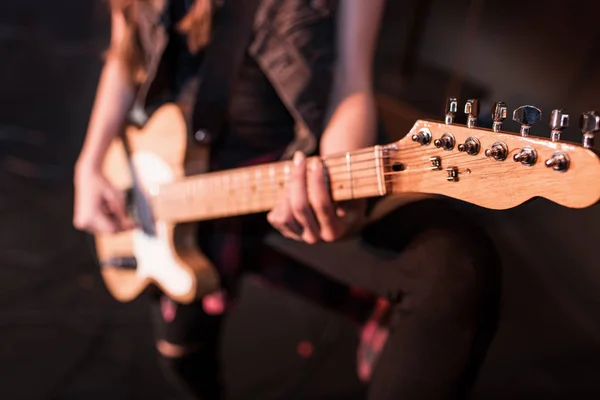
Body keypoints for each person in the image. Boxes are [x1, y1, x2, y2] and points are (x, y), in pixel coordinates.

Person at [73, 0, 502, 399]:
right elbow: (123, 55)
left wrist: (339, 191)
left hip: (291, 167)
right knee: (183, 361)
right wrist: (89, 164)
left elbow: (351, 84)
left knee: (455, 269)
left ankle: (365, 307)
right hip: (170, 175)